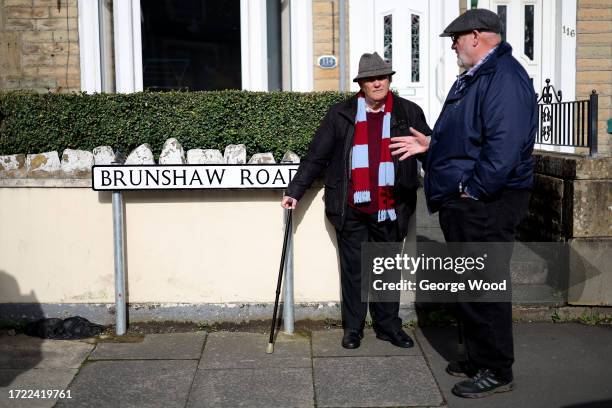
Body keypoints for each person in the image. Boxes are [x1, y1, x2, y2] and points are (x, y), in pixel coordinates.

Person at [390, 9, 536, 399]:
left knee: (484, 285)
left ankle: (496, 370)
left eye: (455, 38)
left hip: (486, 201)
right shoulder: (477, 77)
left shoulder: (502, 78)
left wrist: (472, 190)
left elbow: (503, 149)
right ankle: (478, 356)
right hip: (468, 197)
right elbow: (467, 138)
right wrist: (431, 145)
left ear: (475, 36)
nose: (452, 45)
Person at [281, 52, 431, 349]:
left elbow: (429, 151)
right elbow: (317, 156)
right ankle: (353, 329)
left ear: (389, 80)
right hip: (351, 207)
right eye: (371, 79)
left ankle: (389, 326)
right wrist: (295, 191)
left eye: (382, 77)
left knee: (387, 268)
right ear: (361, 83)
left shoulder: (408, 112)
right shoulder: (341, 114)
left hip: (391, 205)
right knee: (353, 270)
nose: (377, 83)